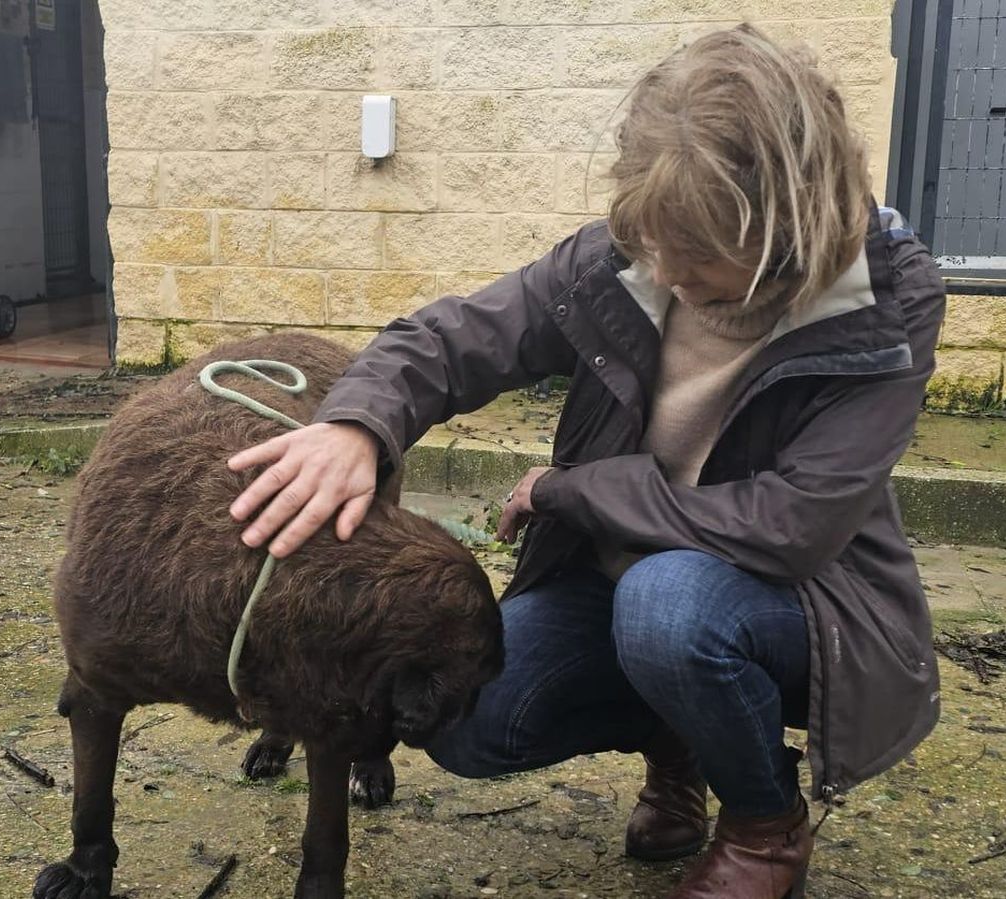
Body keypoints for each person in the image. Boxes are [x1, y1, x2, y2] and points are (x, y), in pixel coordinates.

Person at [226, 25, 944, 899]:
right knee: (465, 716)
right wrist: (358, 425)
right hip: (615, 585)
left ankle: (763, 825)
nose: (669, 275)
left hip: (794, 605)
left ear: (793, 217)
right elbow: (451, 339)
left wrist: (575, 488)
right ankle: (679, 741)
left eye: (702, 254)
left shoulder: (885, 301)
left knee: (667, 605)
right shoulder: (627, 257)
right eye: (655, 244)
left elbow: (792, 526)